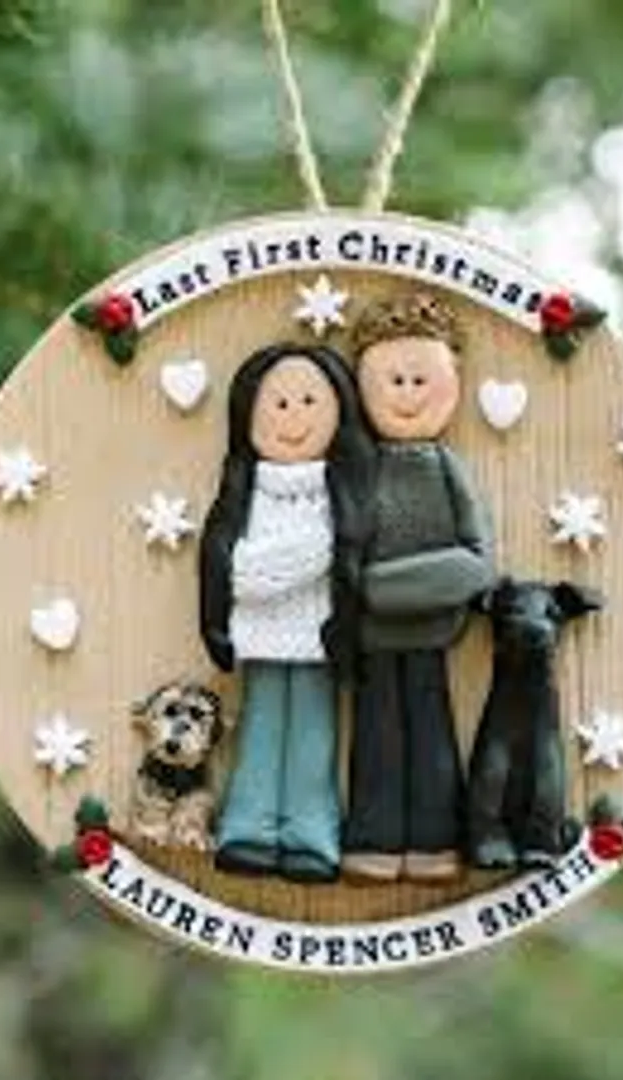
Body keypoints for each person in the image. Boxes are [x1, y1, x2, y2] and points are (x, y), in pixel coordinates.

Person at [199, 342, 374, 883]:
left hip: (321, 635)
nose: (294, 419)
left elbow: (350, 561)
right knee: (261, 726)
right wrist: (215, 621)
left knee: (314, 735)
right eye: (278, 405)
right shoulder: (244, 492)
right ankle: (247, 828)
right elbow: (218, 558)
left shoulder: (343, 494)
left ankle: (311, 833)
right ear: (247, 415)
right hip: (258, 635)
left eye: (308, 402)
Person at [343, 292, 496, 883]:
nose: (406, 394)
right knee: (375, 735)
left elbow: (476, 564)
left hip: (433, 634)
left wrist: (378, 586)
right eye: (394, 381)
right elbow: (343, 550)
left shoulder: (448, 469)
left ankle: (436, 839)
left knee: (433, 734)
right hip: (371, 640)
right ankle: (372, 838)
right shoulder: (360, 470)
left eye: (419, 380)